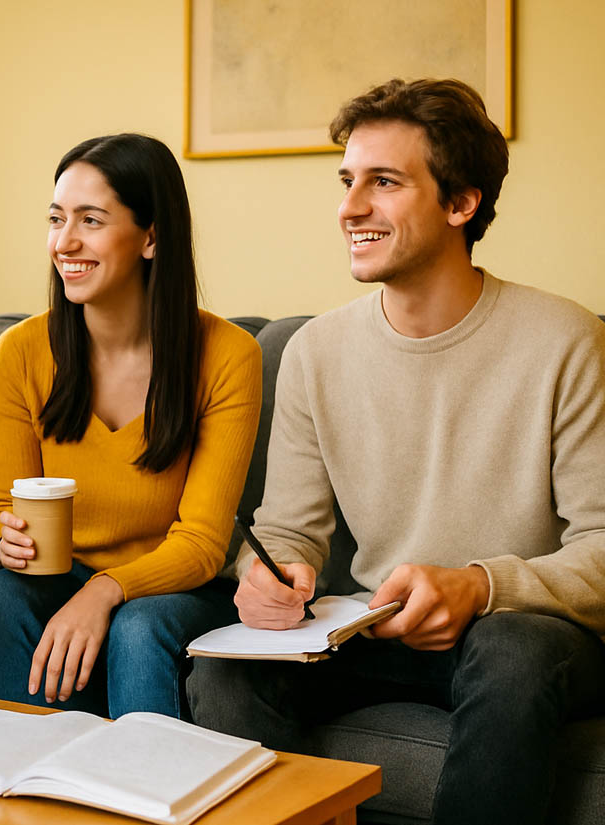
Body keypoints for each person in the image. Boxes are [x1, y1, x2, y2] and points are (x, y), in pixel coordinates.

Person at [188, 78, 605, 825]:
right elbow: (286, 530)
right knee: (226, 673)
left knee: (512, 650)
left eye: (383, 182)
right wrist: (264, 576)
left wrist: (478, 586)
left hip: (522, 634)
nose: (350, 207)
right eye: (348, 180)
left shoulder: (567, 340)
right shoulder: (314, 351)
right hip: (375, 629)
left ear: (460, 203)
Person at [0, 133, 262, 720]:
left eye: (91, 220)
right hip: (60, 576)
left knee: (138, 624)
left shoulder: (228, 355)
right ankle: (7, 790)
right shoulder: (21, 352)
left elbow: (203, 544)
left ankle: (144, 799)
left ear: (151, 236)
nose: (64, 241)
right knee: (1, 595)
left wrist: (104, 591)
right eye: (56, 219)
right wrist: (6, 538)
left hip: (175, 590)